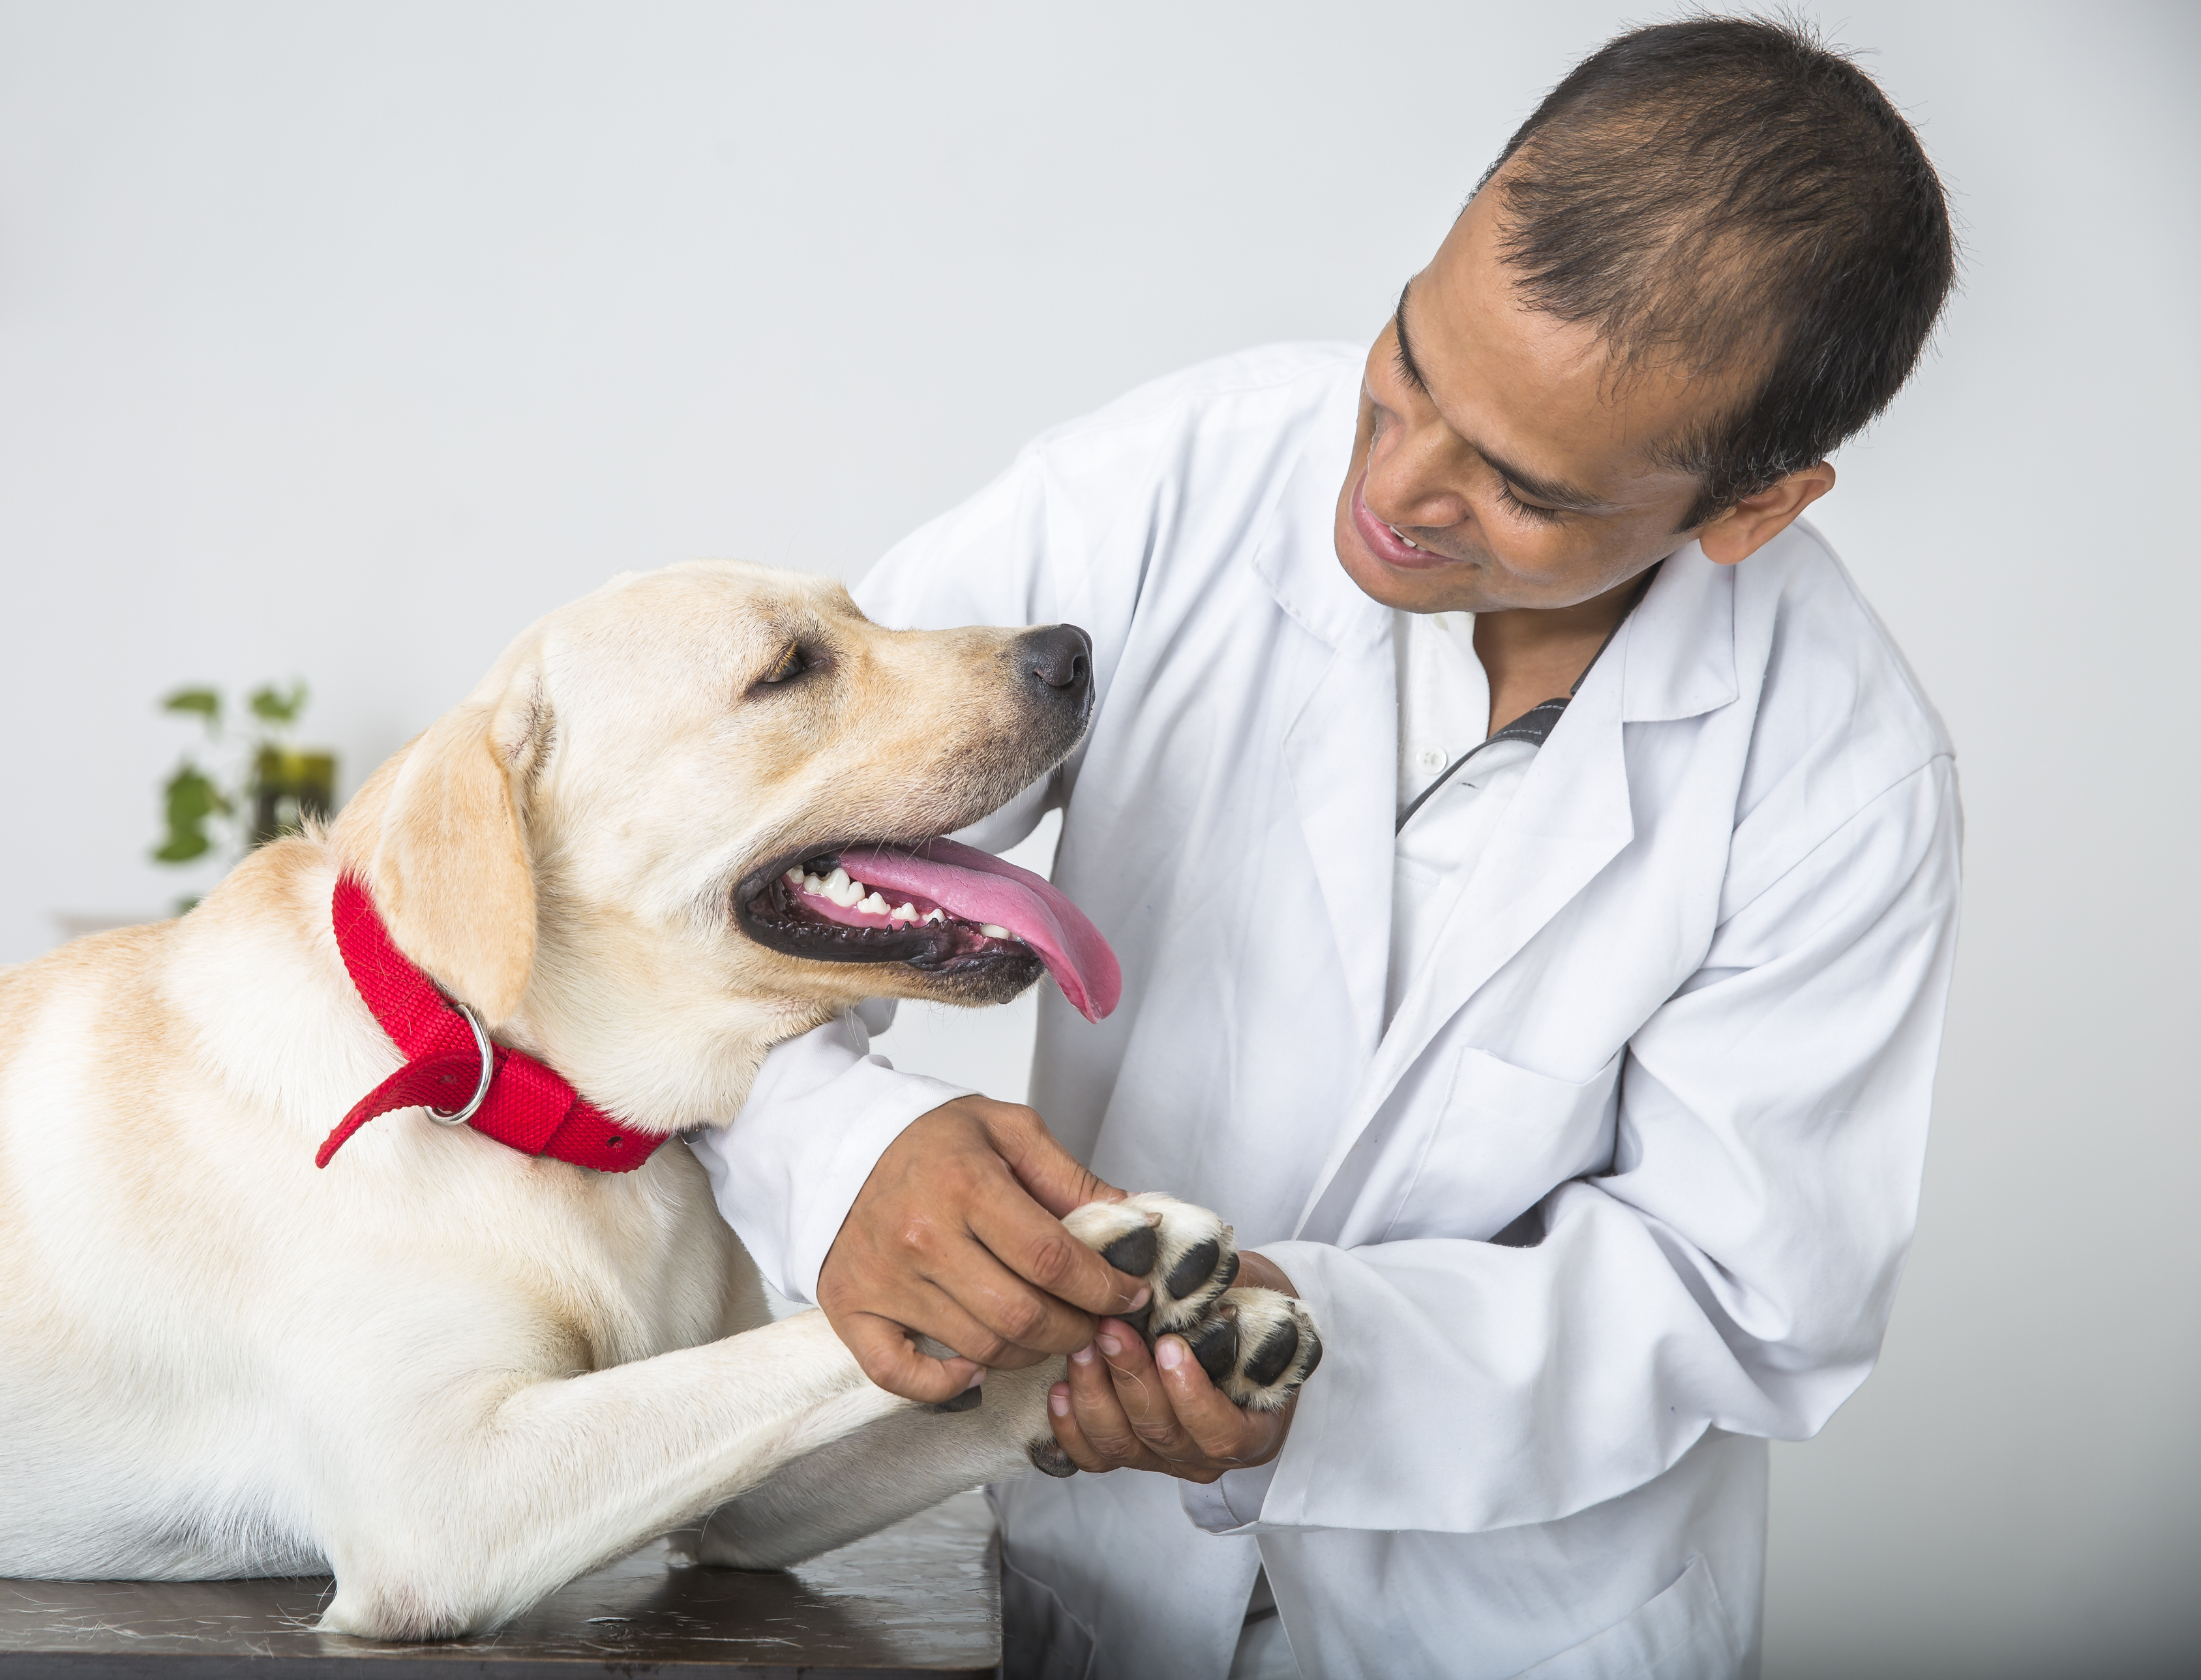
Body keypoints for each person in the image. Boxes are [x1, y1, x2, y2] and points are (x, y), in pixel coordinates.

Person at [692, 16, 1962, 1678]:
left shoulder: (1842, 780)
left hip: (1515, 1633)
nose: (1398, 482)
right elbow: (735, 877)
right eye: (1415, 359)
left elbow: (1735, 1297)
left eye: (1523, 485)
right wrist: (844, 1151)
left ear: (1752, 507)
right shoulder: (1167, 490)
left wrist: (1311, 1358)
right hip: (1090, 1588)